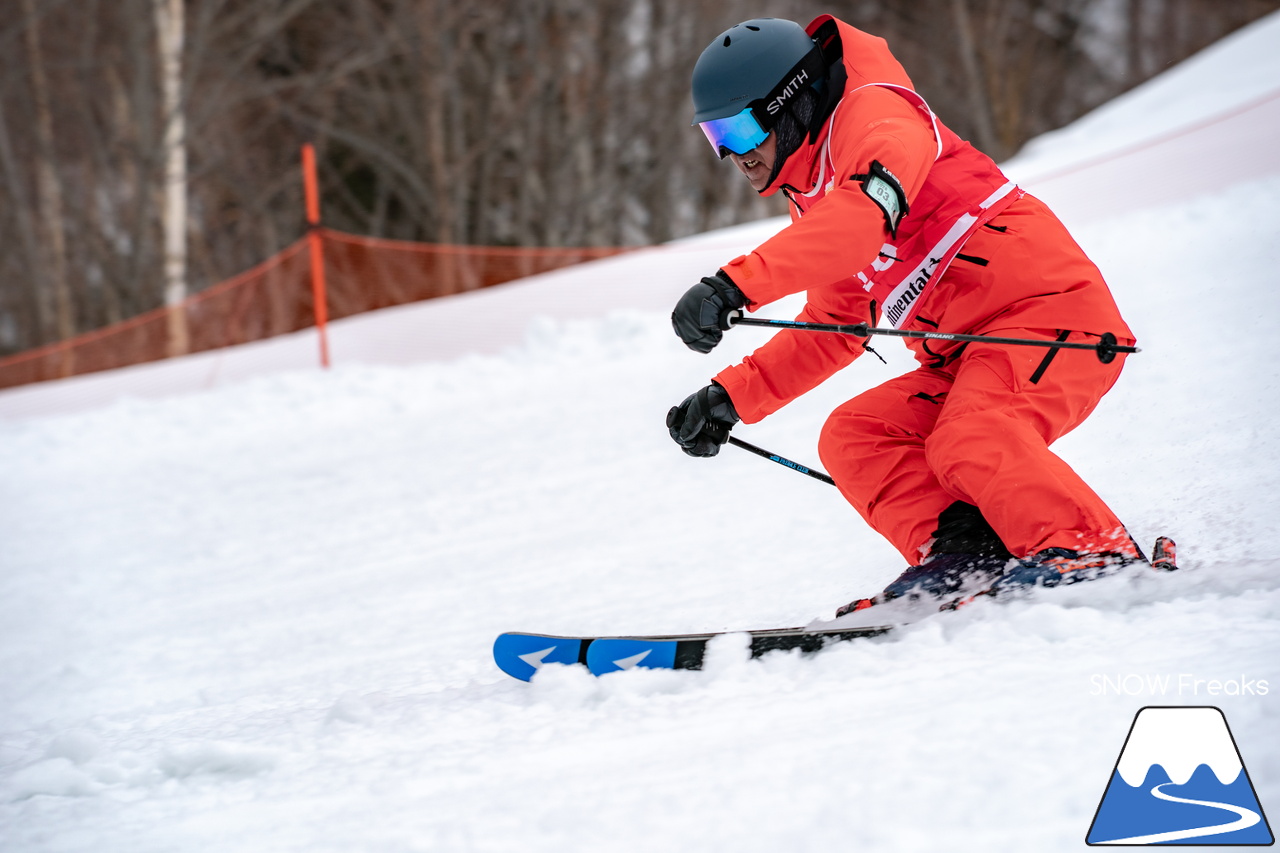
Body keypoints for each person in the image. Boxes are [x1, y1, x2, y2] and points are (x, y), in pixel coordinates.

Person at [666, 15, 1149, 615]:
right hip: (967, 353)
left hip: (1051, 317)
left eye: (738, 129)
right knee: (857, 435)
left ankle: (1091, 554)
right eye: (716, 138)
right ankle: (968, 556)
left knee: (970, 436)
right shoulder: (815, 187)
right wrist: (728, 397)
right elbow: (835, 326)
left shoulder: (880, 121)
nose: (732, 154)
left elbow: (858, 224)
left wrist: (736, 285)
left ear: (789, 101)